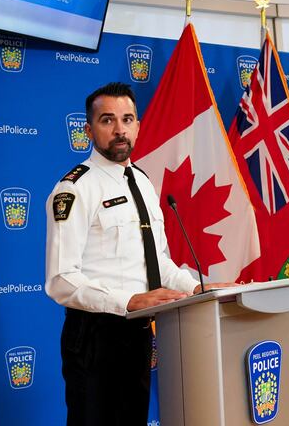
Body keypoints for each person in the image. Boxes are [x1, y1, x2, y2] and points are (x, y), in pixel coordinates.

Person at [44, 82, 234, 425]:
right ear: (88, 130)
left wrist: (195, 288)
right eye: (107, 120)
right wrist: (128, 300)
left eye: (127, 119)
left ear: (138, 125)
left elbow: (158, 261)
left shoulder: (143, 182)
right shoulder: (74, 189)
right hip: (94, 334)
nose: (119, 130)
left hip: (139, 333)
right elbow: (61, 280)